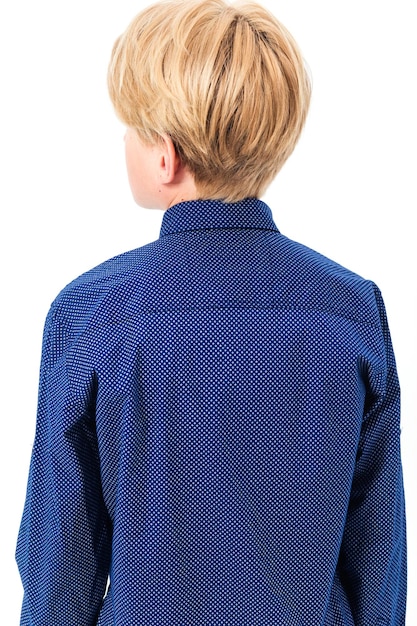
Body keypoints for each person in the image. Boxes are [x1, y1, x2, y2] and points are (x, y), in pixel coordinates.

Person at [16, 0, 407, 624]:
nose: (123, 140)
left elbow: (61, 564)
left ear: (165, 156)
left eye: (131, 127)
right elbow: (377, 560)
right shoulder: (353, 308)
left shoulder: (91, 311)